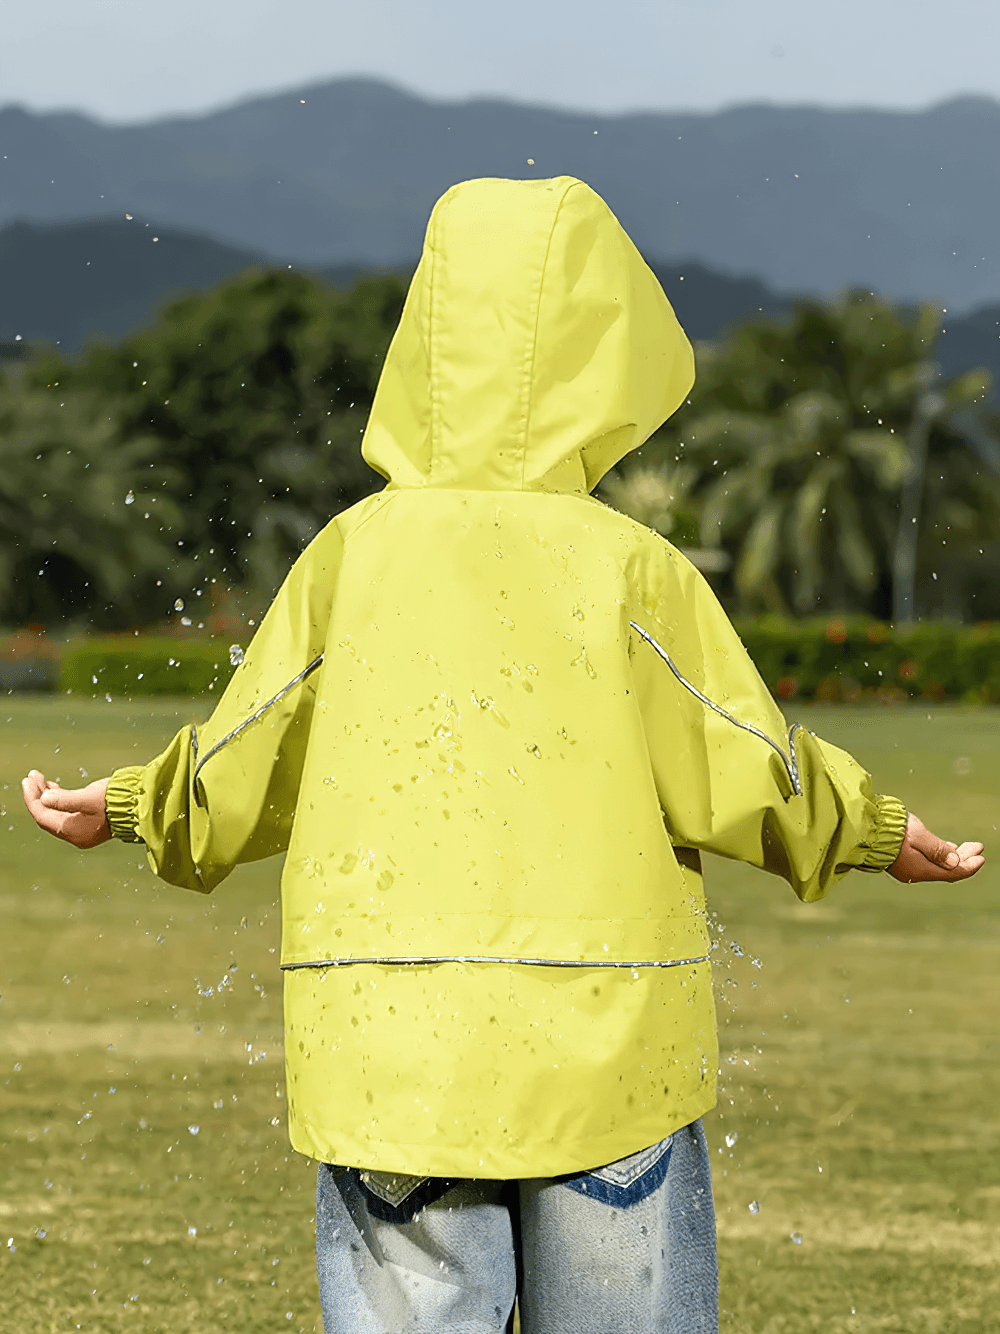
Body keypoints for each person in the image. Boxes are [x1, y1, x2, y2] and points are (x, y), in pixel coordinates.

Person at [23, 176, 984, 1334]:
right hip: (603, 1043)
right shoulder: (629, 567)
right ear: (603, 347)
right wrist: (875, 831)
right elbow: (741, 756)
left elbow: (251, 742)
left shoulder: (350, 557)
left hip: (390, 1050)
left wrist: (132, 804)